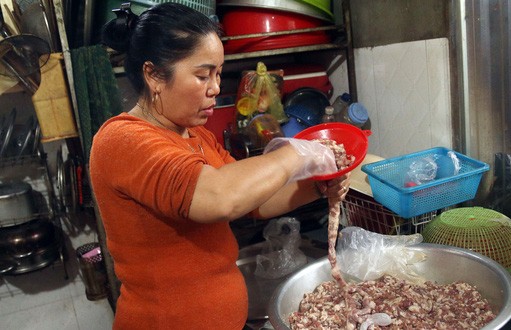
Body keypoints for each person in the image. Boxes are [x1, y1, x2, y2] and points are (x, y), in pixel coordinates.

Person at [90, 3, 351, 329]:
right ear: (154, 75)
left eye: (217, 73)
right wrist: (299, 152)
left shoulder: (194, 134)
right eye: (202, 75)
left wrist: (315, 186)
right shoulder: (123, 140)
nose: (215, 87)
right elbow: (220, 197)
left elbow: (254, 201)